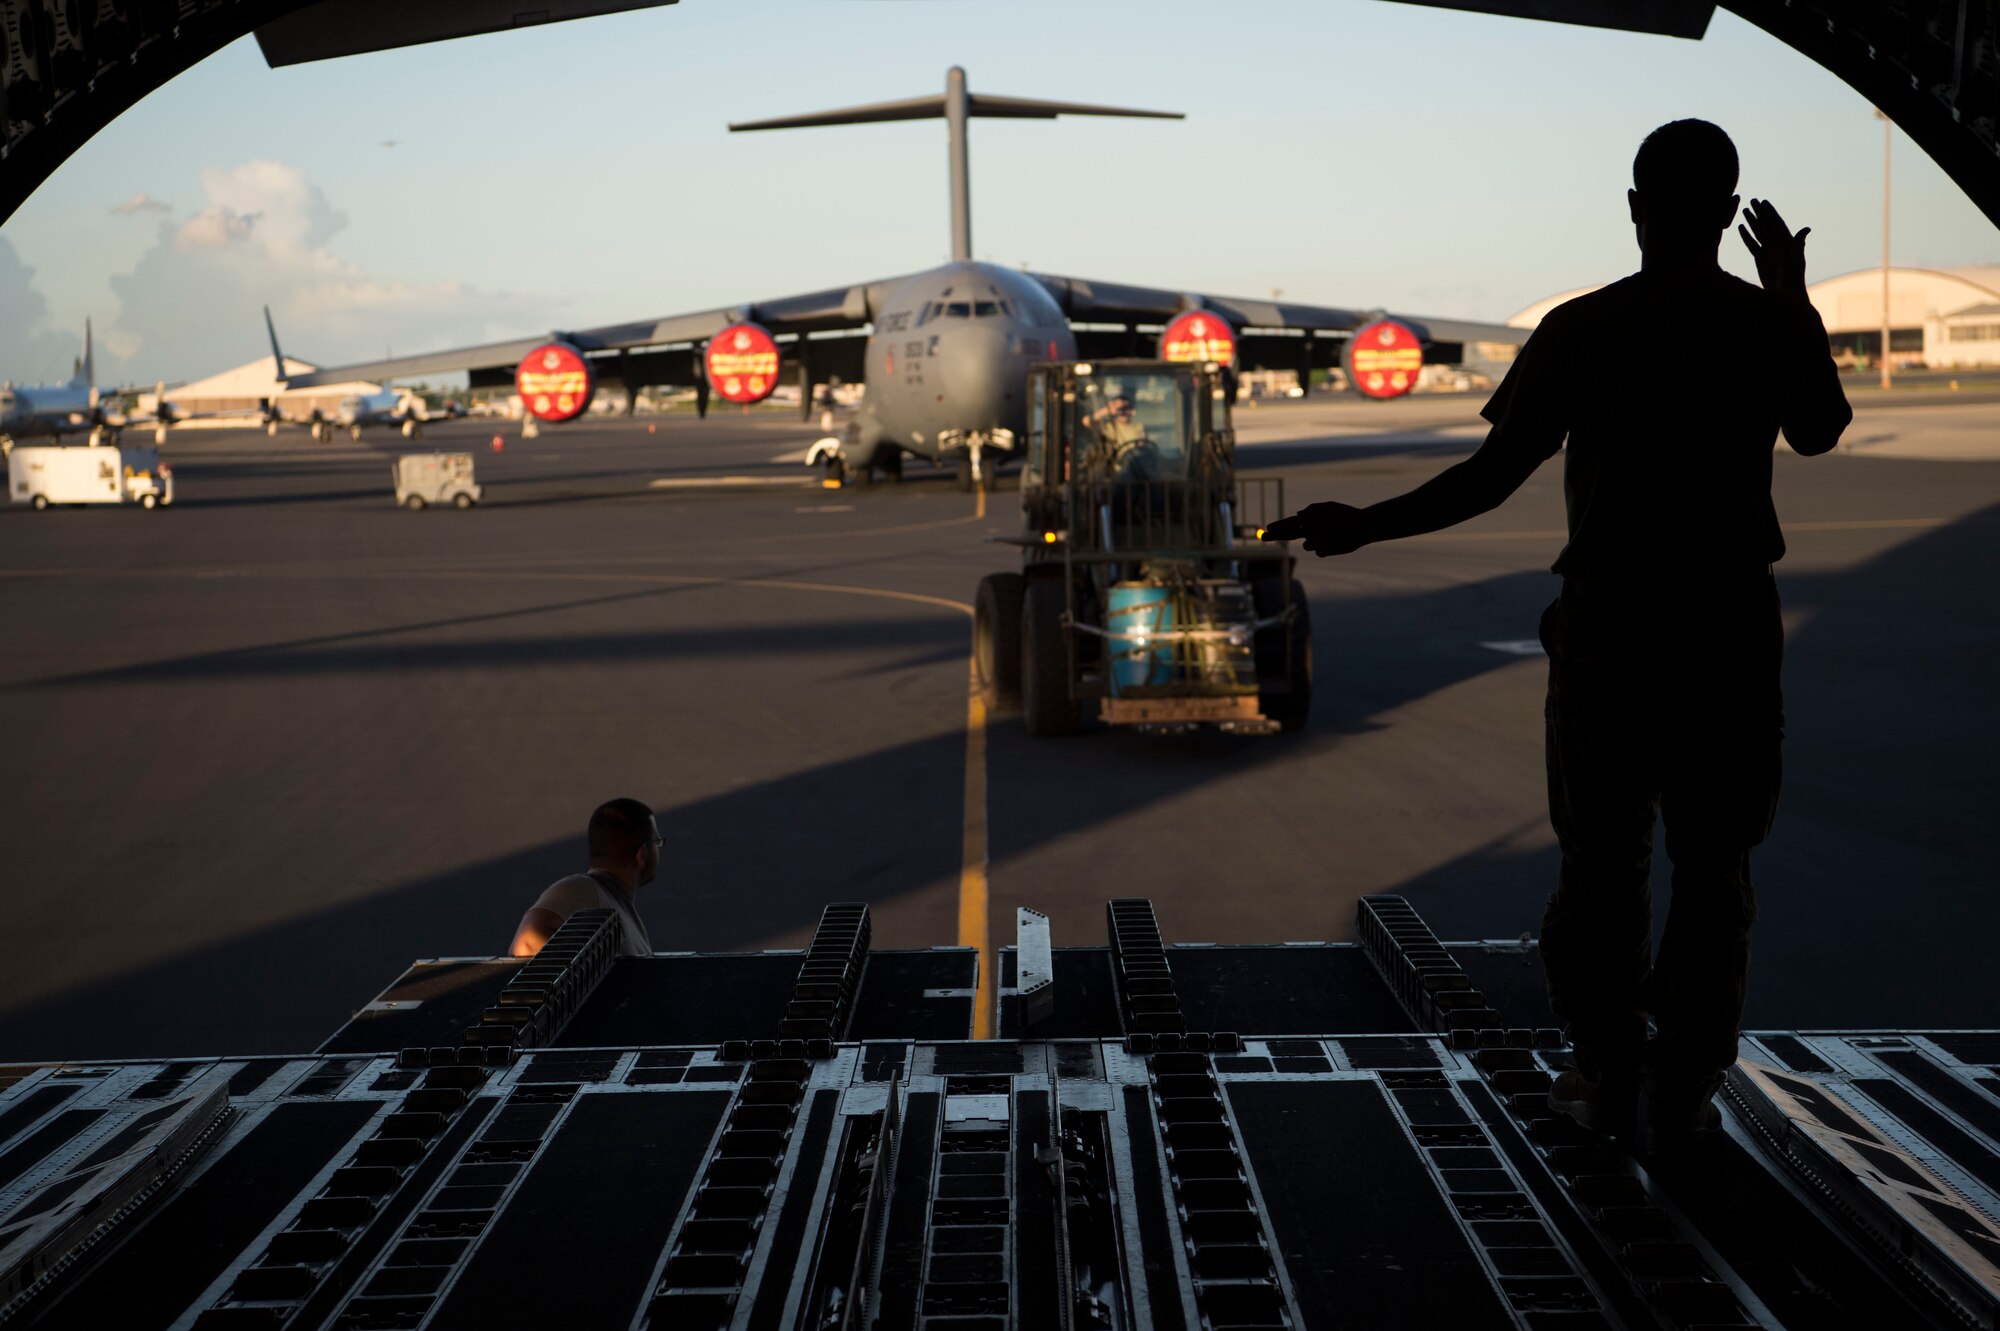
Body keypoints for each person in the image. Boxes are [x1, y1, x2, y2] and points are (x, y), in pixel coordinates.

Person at [1264, 120, 1851, 1153]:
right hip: (1724, 631)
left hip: (1611, 631)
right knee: (1715, 869)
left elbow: (1486, 479)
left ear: (1632, 205)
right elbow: (1817, 427)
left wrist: (1360, 522)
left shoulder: (1584, 329)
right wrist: (1789, 290)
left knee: (1599, 861)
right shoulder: (1761, 322)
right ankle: (1685, 1082)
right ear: (1724, 211)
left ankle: (1605, 1062)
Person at [509, 798, 659, 959]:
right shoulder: (585, 890)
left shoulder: (614, 904)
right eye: (657, 842)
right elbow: (526, 943)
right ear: (642, 854)